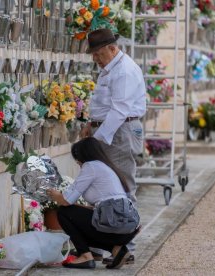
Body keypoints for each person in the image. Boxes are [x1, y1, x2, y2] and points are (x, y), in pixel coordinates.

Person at [79, 28, 146, 263]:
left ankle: (127, 246)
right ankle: (101, 242)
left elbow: (120, 110)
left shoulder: (124, 71)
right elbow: (104, 103)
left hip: (120, 132)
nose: (95, 58)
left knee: (123, 185)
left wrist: (98, 138)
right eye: (93, 55)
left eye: (98, 53)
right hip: (107, 129)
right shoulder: (110, 68)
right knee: (99, 184)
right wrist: (91, 123)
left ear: (112, 48)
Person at [47, 137, 141, 270]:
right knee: (75, 215)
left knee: (63, 212)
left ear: (82, 156)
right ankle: (117, 251)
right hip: (127, 226)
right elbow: (100, 206)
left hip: (115, 223)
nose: (78, 163)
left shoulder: (90, 166)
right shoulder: (106, 167)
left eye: (77, 159)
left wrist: (55, 194)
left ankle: (85, 256)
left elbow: (67, 200)